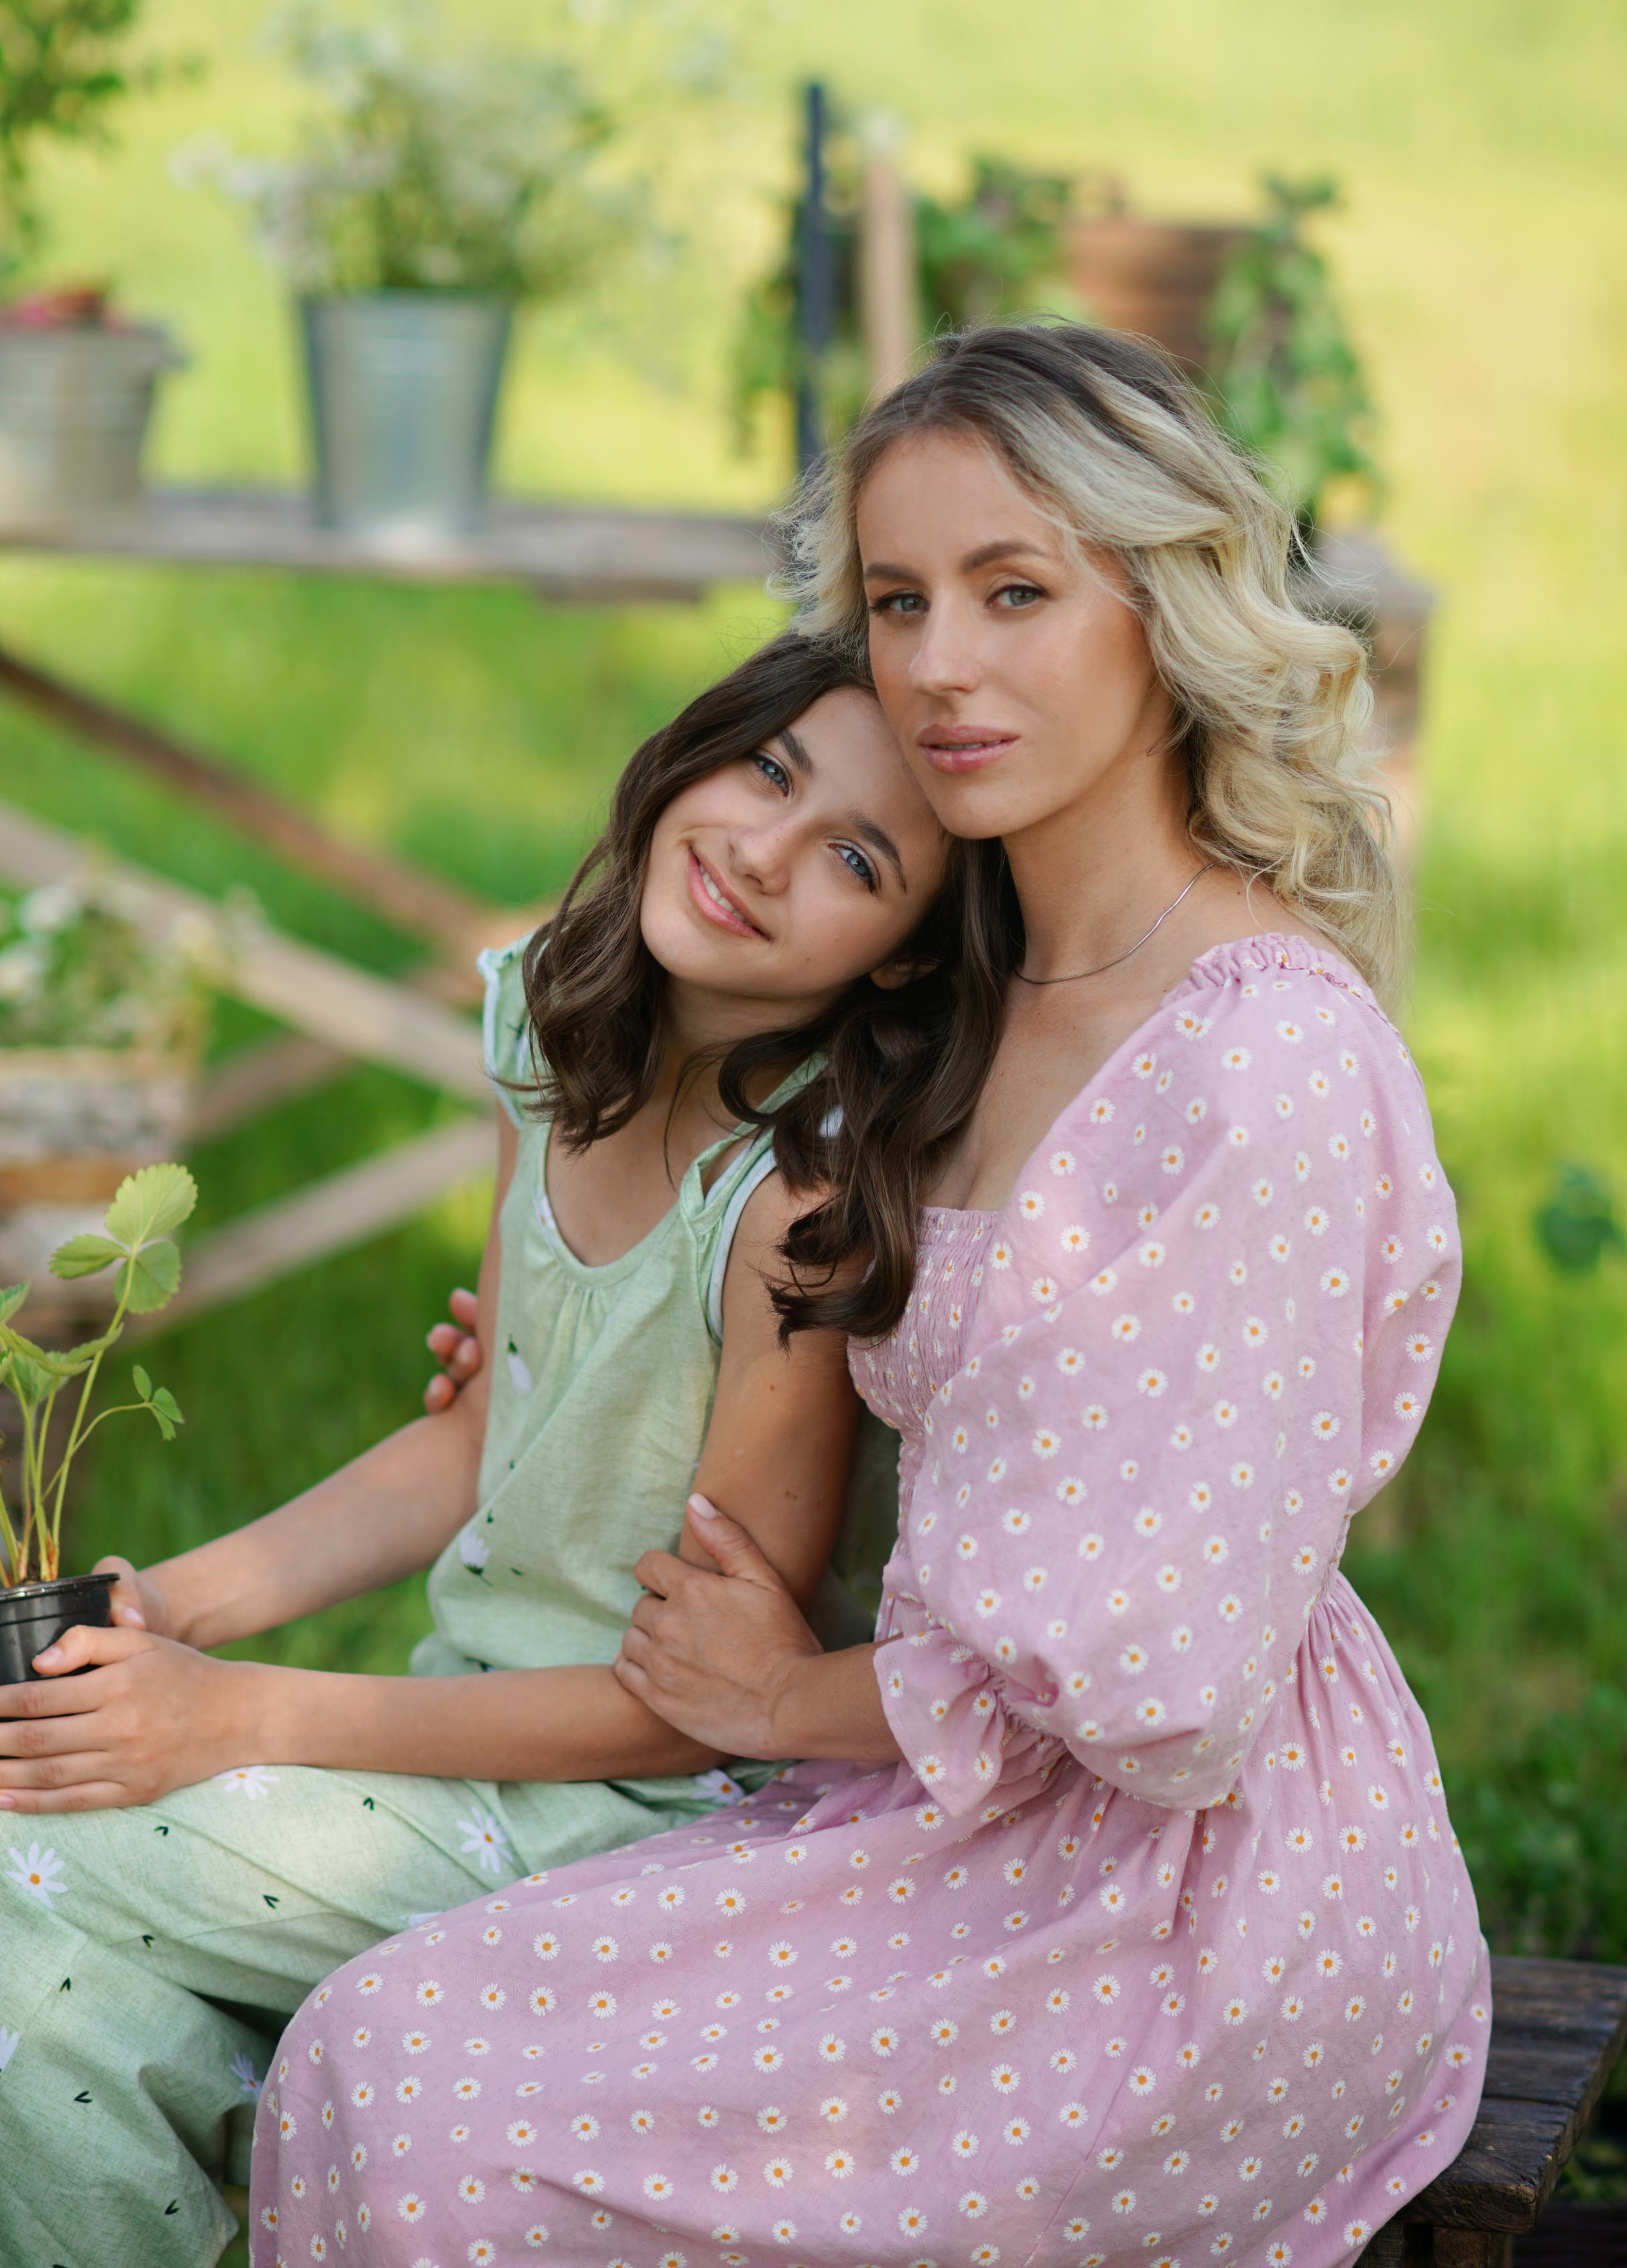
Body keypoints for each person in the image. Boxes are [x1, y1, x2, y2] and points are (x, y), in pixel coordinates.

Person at [253, 321, 1487, 2268]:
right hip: (925, 1788)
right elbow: (757, 1257)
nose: (938, 663)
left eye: (1017, 592)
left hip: (1183, 1907)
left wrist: (775, 1691)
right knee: (375, 2041)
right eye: (901, 600)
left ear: (1163, 612)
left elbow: (1160, 1694)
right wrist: (589, 1341)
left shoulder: (1259, 1065)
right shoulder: (960, 988)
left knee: (427, 2100)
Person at [0, 628, 992, 2268]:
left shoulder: (787, 1211)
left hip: (622, 1819)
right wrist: (166, 1613)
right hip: (459, 1744)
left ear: (903, 959)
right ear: (695, 746)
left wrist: (237, 1717)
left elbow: (690, 1699)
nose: (762, 850)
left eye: (854, 856)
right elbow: (478, 1434)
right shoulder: (555, 1037)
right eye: (767, 769)